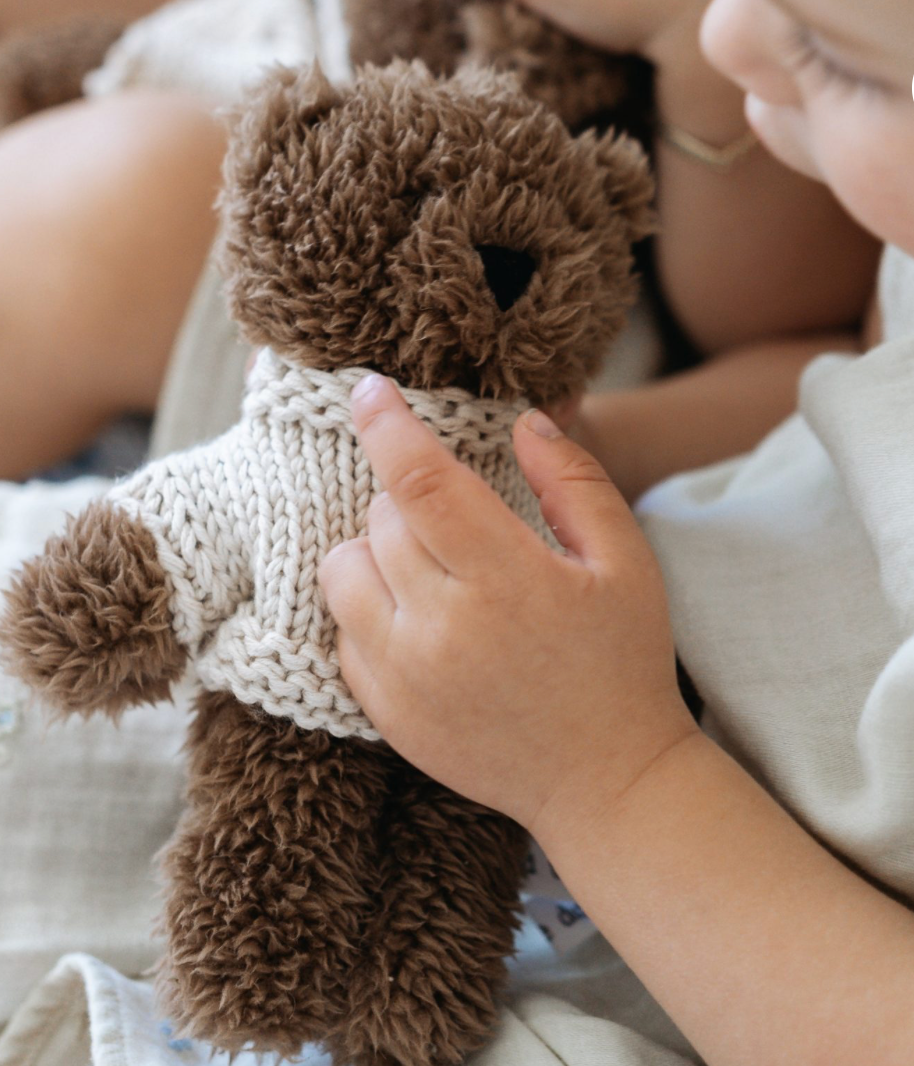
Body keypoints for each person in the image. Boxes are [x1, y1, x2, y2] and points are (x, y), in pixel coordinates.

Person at [317, 0, 914, 1063]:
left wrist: (605, 774)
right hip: (574, 657)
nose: (736, 35)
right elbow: (848, 387)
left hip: (654, 909)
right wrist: (569, 452)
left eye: (837, 59)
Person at [0, 0, 878, 481]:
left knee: (111, 199)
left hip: (519, 301)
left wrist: (691, 46)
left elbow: (795, 331)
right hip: (282, 91)